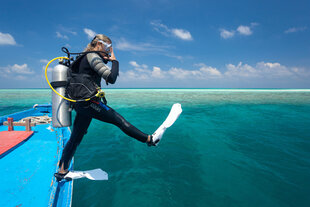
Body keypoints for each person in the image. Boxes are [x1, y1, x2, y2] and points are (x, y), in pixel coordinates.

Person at [54, 34, 159, 181]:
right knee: (119, 120)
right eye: (108, 47)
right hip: (89, 103)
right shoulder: (92, 56)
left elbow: (96, 69)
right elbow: (111, 78)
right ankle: (149, 139)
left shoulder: (85, 57)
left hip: (80, 103)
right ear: (99, 45)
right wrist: (115, 61)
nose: (109, 51)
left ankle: (62, 170)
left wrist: (106, 59)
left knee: (76, 137)